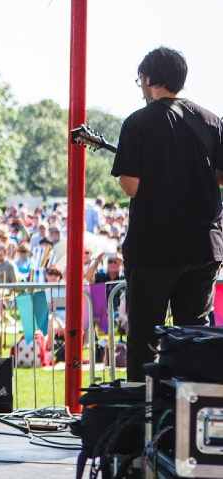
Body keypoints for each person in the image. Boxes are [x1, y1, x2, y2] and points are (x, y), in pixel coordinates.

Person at [112, 47, 223, 381]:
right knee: (196, 336)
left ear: (148, 79)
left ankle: (141, 419)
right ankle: (192, 417)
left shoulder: (138, 122)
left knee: (145, 334)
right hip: (204, 244)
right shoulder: (211, 121)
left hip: (154, 245)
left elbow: (130, 185)